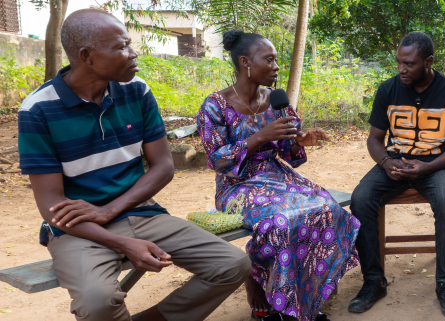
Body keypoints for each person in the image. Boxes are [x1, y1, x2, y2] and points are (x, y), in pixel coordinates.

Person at [17, 9, 251, 321]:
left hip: (141, 213)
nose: (133, 52)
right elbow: (52, 206)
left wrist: (108, 211)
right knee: (98, 302)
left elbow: (163, 166)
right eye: (121, 47)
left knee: (232, 264)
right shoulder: (38, 109)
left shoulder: (136, 90)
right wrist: (120, 241)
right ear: (87, 56)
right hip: (77, 231)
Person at [195, 30, 360, 321]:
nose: (276, 66)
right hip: (238, 185)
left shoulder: (277, 100)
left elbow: (288, 153)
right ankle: (263, 294)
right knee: (280, 222)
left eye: (276, 60)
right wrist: (257, 138)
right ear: (245, 62)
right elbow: (216, 160)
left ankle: (304, 303)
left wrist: (300, 141)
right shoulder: (214, 106)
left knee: (327, 210)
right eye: (269, 60)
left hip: (279, 177)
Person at [347, 31, 445, 318]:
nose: (402, 70)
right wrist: (384, 163)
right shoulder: (388, 89)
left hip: (434, 166)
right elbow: (375, 139)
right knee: (361, 198)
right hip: (394, 163)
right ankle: (374, 282)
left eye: (410, 64)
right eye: (399, 63)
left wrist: (428, 167)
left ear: (428, 61)